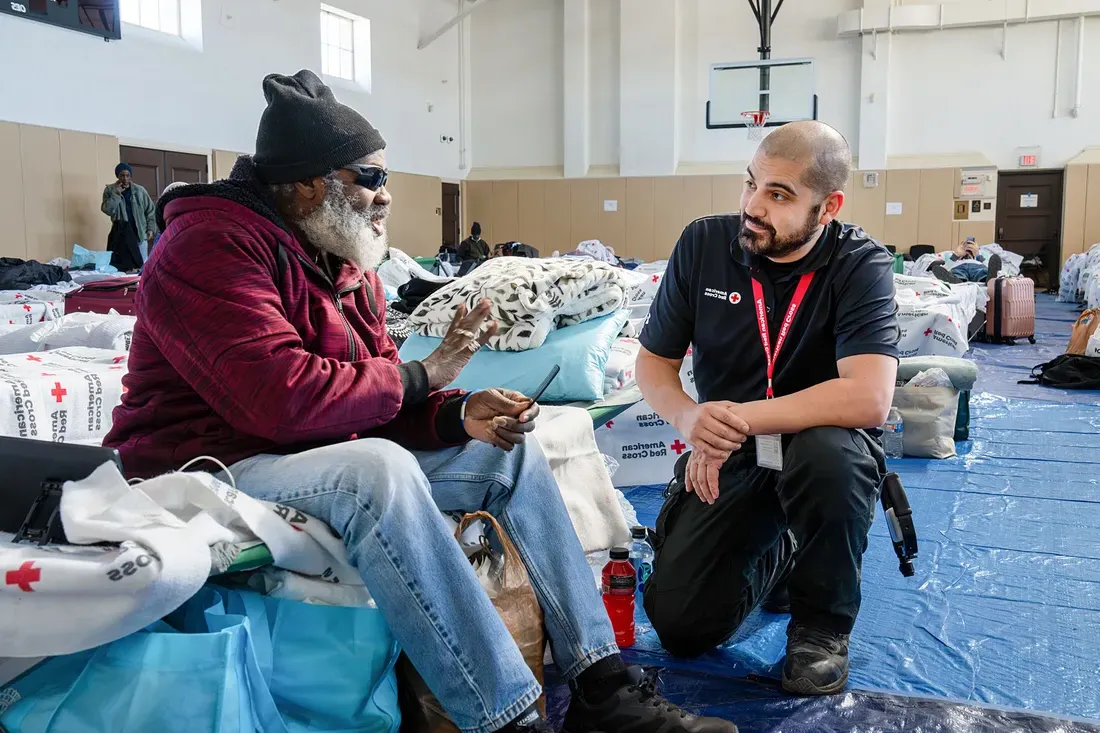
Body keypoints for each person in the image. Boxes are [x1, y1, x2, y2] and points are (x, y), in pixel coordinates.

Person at [104, 70, 738, 733]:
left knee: (509, 456)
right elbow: (279, 399)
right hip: (214, 464)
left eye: (387, 178)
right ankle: (503, 715)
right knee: (379, 471)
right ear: (308, 184)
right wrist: (423, 376)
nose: (385, 196)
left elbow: (373, 393)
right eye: (370, 178)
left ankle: (602, 686)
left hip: (306, 453)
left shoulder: (342, 264)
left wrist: (455, 412)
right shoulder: (208, 247)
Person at [635, 120, 899, 697]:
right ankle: (782, 549)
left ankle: (821, 628)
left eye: (779, 195)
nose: (754, 206)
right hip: (730, 452)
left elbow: (870, 396)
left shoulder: (860, 266)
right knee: (681, 628)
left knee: (830, 454)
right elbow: (652, 365)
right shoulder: (704, 245)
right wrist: (689, 420)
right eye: (751, 184)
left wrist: (733, 418)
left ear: (828, 207)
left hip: (815, 451)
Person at [101, 162, 156, 272]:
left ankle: (141, 287)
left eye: (128, 175)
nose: (125, 178)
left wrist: (150, 228)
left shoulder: (140, 190)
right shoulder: (110, 190)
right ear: (117, 176)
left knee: (142, 266)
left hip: (139, 234)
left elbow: (150, 211)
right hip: (122, 235)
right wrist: (116, 194)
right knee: (124, 268)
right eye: (122, 175)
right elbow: (107, 210)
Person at [929, 238, 1002, 284]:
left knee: (982, 272)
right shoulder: (952, 256)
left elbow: (988, 266)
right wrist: (956, 255)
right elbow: (945, 269)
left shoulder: (982, 254)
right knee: (957, 272)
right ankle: (956, 280)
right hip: (959, 266)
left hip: (977, 266)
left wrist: (977, 255)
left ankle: (989, 279)